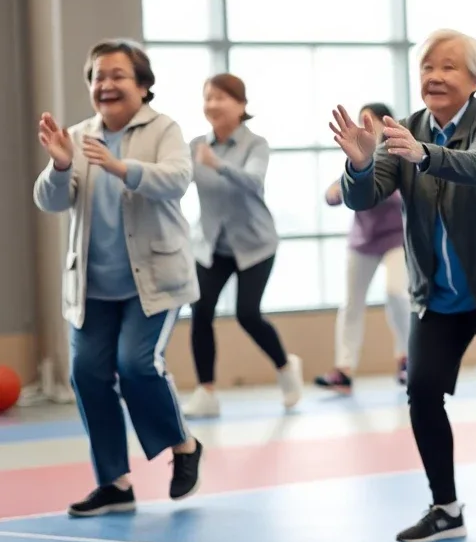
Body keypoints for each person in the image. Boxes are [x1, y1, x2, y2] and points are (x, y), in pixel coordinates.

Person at [332, 29, 476, 542]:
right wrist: (361, 164)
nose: (434, 76)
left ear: (475, 79)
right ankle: (446, 509)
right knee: (421, 391)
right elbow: (364, 197)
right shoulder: (404, 129)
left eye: (448, 67)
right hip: (439, 296)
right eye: (427, 67)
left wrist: (424, 154)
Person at [32, 39, 203, 517]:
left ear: (143, 86)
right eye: (97, 77)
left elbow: (177, 179)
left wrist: (122, 168)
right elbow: (50, 200)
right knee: (86, 373)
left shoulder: (163, 129)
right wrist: (60, 164)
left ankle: (184, 446)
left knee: (136, 365)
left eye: (117, 75)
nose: (105, 84)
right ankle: (114, 483)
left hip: (155, 282)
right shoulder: (77, 135)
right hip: (93, 287)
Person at [181, 74, 302, 418]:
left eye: (221, 97)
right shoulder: (195, 146)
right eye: (208, 97)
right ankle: (206, 392)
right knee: (201, 311)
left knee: (247, 314)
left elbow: (253, 182)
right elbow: (177, 183)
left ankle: (285, 367)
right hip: (211, 246)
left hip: (255, 245)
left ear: (241, 105)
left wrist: (217, 164)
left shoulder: (255, 144)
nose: (212, 104)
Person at [316, 103, 410, 393]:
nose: (364, 124)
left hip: (395, 239)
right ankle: (343, 371)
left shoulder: (398, 155)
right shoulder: (358, 155)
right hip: (362, 241)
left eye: (370, 119)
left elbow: (401, 194)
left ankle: (406, 358)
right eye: (361, 119)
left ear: (386, 122)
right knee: (351, 303)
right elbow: (334, 193)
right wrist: (339, 190)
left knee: (397, 293)